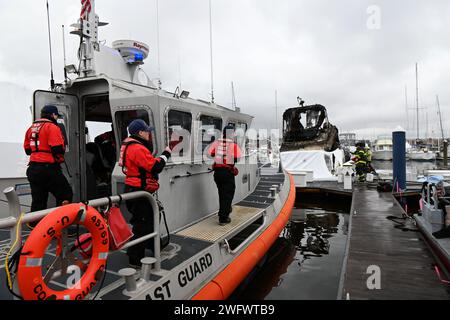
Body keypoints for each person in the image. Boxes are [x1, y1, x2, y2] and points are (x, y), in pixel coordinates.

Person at [119, 119, 176, 267]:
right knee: (143, 225)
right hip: (139, 192)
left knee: (149, 221)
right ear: (140, 133)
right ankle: (135, 259)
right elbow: (155, 167)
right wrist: (167, 152)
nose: (149, 133)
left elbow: (146, 163)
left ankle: (153, 245)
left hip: (135, 189)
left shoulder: (131, 146)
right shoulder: (137, 148)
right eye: (147, 131)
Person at [23, 105, 73, 216]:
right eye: (56, 115)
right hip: (48, 169)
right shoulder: (52, 127)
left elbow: (27, 150)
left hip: (33, 169)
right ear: (53, 115)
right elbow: (57, 149)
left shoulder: (30, 128)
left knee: (38, 201)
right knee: (65, 194)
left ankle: (35, 226)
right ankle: (61, 225)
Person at [207, 125, 242, 225]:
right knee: (228, 194)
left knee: (222, 193)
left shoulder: (216, 143)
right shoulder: (233, 145)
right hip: (227, 173)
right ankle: (223, 218)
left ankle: (223, 211)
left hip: (217, 173)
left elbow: (210, 153)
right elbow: (238, 158)